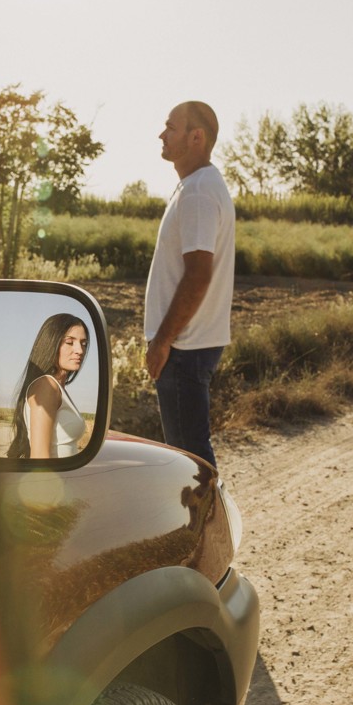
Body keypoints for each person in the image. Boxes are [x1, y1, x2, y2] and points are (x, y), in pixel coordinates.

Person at [144, 101, 235, 470]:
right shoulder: (196, 186)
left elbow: (198, 274)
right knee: (189, 455)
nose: (161, 134)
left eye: (171, 127)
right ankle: (205, 526)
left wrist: (164, 340)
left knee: (189, 461)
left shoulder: (198, 192)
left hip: (184, 348)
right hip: (190, 345)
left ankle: (209, 528)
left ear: (196, 137)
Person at [7, 313, 90, 459]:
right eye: (70, 342)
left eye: (83, 343)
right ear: (52, 343)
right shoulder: (47, 386)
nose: (80, 350)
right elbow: (39, 457)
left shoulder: (56, 387)